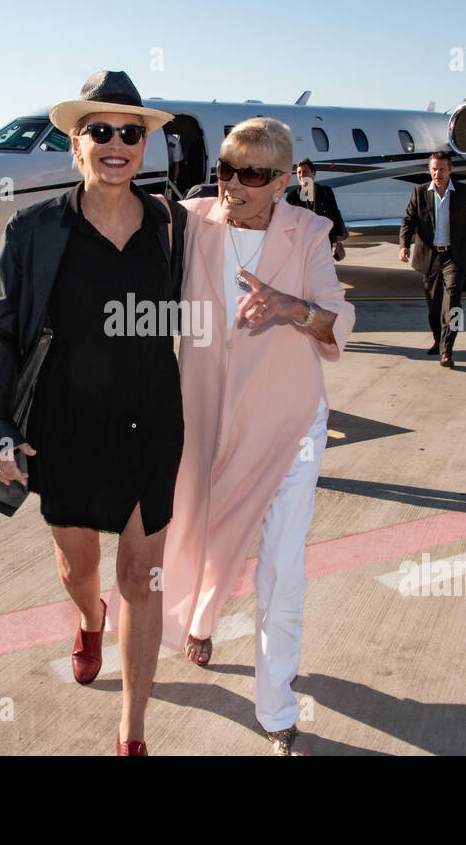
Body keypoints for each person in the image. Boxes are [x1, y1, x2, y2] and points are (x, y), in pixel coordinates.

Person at [0, 71, 184, 756]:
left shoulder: (174, 224)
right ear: (75, 142)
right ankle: (88, 620)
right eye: (100, 132)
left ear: (144, 144)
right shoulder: (34, 230)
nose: (116, 144)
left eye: (130, 132)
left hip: (153, 419)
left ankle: (132, 731)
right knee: (79, 569)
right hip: (68, 424)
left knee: (141, 579)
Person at [159, 117, 355, 755]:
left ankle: (276, 709)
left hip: (290, 422)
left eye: (249, 174)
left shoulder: (310, 232)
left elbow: (340, 316)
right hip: (208, 416)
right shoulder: (193, 220)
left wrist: (292, 308)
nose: (232, 184)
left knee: (281, 563)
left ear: (280, 182)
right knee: (208, 530)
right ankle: (203, 616)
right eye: (224, 169)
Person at [398, 150, 466, 368]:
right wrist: (404, 245)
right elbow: (408, 220)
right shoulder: (420, 192)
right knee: (434, 306)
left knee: (454, 302)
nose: (437, 173)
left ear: (451, 170)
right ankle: (438, 340)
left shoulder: (464, 192)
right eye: (434, 169)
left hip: (454, 257)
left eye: (441, 169)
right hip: (429, 256)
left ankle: (448, 348)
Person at [286, 158, 348, 260]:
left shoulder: (326, 192)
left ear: (313, 173)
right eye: (298, 172)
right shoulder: (292, 196)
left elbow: (335, 216)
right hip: (302, 247)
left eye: (305, 171)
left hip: (323, 244)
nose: (301, 175)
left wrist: (339, 243)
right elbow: (288, 224)